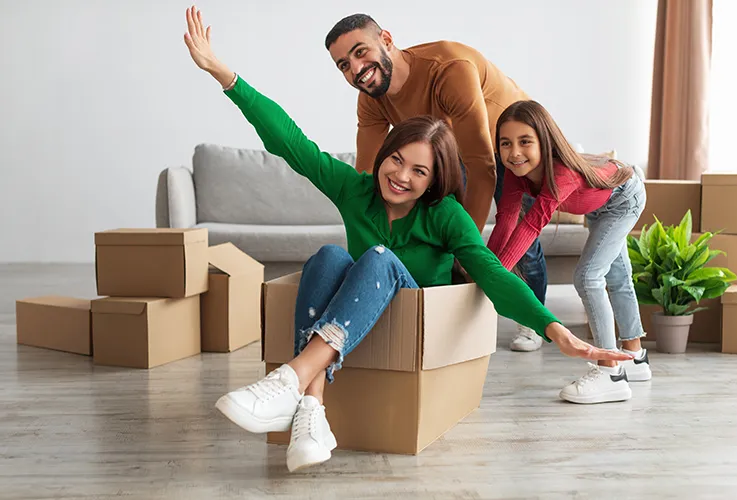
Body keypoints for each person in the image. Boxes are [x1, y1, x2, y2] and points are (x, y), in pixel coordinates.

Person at [182, 6, 632, 471]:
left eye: (420, 171)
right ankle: (311, 410)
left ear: (435, 178)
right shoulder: (356, 189)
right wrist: (224, 74)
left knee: (376, 257)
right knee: (328, 257)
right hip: (361, 312)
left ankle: (290, 379)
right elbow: (290, 142)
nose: (400, 177)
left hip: (417, 311)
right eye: (395, 160)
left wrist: (555, 330)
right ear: (384, 155)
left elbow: (494, 275)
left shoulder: (445, 215)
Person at [325, 14, 547, 352]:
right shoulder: (371, 96)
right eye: (343, 65)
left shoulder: (448, 70)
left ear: (386, 39)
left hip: (508, 146)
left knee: (520, 238)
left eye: (360, 52)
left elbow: (483, 164)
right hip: (452, 151)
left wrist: (461, 247)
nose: (355, 69)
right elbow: (365, 177)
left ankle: (534, 321)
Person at [488, 99, 651, 405]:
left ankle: (611, 373)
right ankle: (634, 356)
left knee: (588, 277)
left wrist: (495, 277)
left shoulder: (561, 173)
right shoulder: (514, 173)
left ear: (544, 141)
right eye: (505, 144)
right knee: (617, 278)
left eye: (525, 142)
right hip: (600, 206)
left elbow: (532, 225)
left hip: (625, 197)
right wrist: (489, 270)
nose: (514, 153)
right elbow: (507, 220)